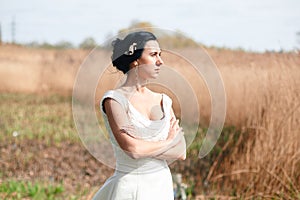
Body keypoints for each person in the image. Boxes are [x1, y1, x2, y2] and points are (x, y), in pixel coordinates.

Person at [93, 31, 186, 200]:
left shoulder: (164, 101)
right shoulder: (114, 100)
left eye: (160, 55)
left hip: (161, 186)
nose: (160, 61)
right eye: (153, 55)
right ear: (135, 60)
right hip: (130, 187)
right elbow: (132, 150)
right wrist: (168, 142)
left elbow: (181, 151)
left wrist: (147, 147)